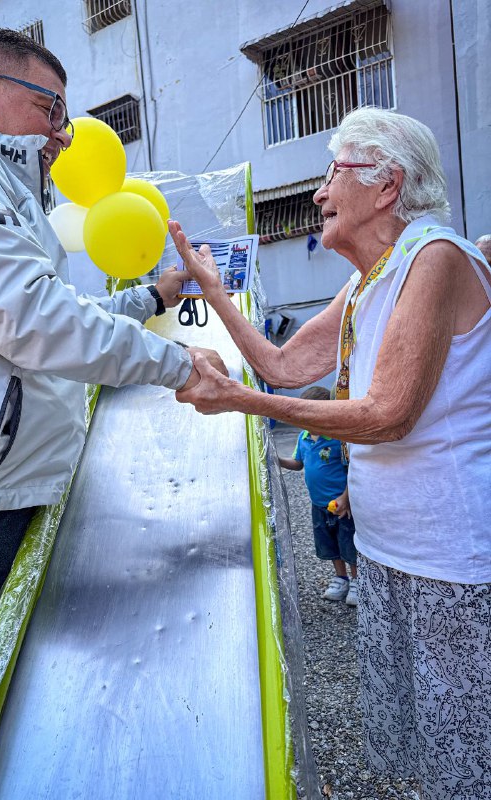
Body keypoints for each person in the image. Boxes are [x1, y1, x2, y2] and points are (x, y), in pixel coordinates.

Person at [0, 27, 227, 791]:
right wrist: (178, 366)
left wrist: (148, 299)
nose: (63, 135)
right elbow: (29, 322)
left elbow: (55, 304)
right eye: (51, 109)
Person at [169, 108, 491, 800]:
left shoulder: (434, 257)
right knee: (424, 748)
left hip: (451, 560)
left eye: (331, 173)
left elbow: (388, 415)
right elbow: (282, 365)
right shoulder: (372, 275)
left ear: (385, 186)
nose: (317, 193)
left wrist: (242, 402)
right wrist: (210, 285)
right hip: (388, 551)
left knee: (468, 753)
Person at [279, 386, 358, 606]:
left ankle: (356, 580)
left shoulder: (337, 439)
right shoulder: (303, 438)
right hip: (319, 504)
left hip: (342, 505)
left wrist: (346, 498)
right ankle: (340, 578)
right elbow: (298, 464)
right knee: (329, 543)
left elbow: (353, 469)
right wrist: (277, 460)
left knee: (347, 542)